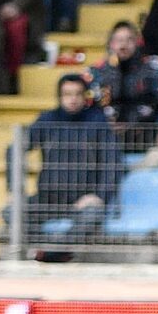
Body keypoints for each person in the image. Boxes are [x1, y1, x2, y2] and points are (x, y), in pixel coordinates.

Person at [21, 74, 122, 255]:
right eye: (67, 94)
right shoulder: (47, 120)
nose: (73, 99)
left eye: (77, 94)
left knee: (92, 215)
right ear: (59, 96)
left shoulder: (97, 122)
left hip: (83, 200)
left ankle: (56, 253)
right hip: (48, 199)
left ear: (85, 96)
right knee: (12, 212)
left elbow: (113, 162)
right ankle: (43, 249)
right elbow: (14, 150)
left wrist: (99, 196)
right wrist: (13, 190)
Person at [89, 21, 158, 163]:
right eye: (118, 40)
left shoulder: (153, 69)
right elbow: (89, 107)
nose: (123, 45)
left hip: (146, 132)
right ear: (111, 44)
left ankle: (151, 163)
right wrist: (106, 124)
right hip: (108, 135)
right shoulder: (97, 72)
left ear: (138, 43)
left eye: (129, 40)